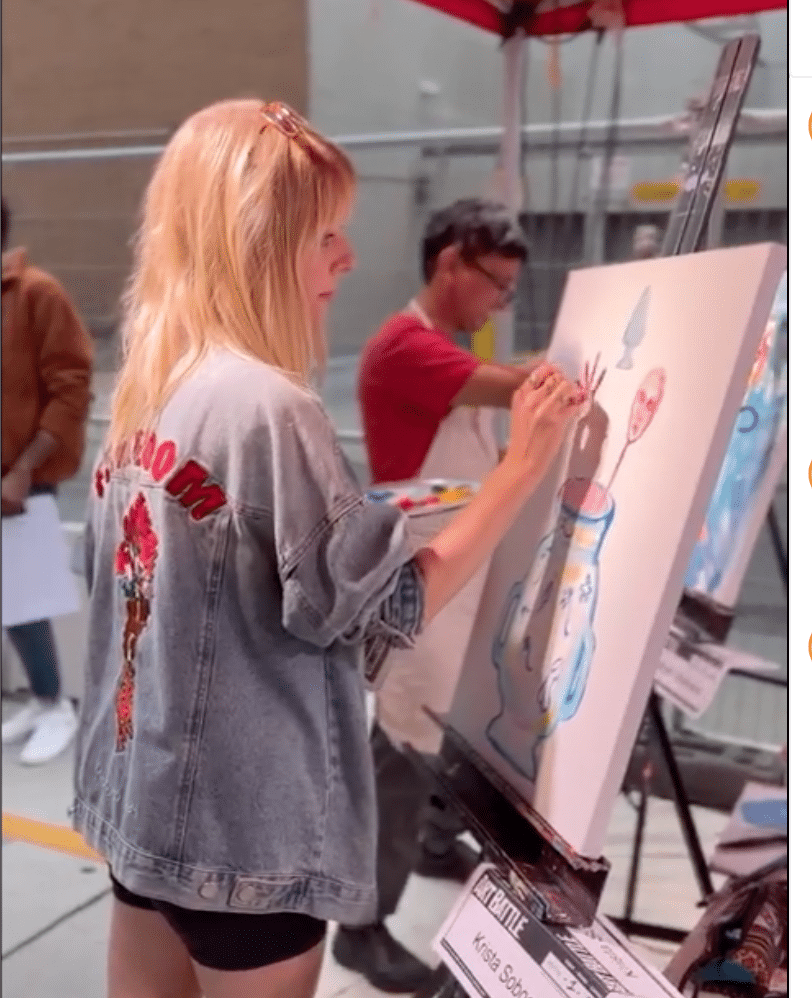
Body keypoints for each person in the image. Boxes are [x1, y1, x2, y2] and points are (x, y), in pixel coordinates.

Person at [72, 98, 581, 998]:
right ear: (257, 243)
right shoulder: (269, 407)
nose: (347, 258)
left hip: (141, 806)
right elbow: (391, 610)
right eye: (325, 235)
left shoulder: (150, 384)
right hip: (244, 831)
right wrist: (523, 470)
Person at [337, 199, 542, 992]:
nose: (499, 304)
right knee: (400, 752)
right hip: (418, 586)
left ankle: (428, 844)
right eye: (495, 284)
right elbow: (515, 393)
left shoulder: (438, 351)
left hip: (453, 577)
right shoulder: (405, 349)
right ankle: (360, 927)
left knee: (437, 738)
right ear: (450, 262)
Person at [1, 196, 94, 765]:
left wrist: (23, 470)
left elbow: (72, 385)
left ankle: (56, 704)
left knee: (24, 594)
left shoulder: (36, 293)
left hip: (20, 476)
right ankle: (41, 700)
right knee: (8, 596)